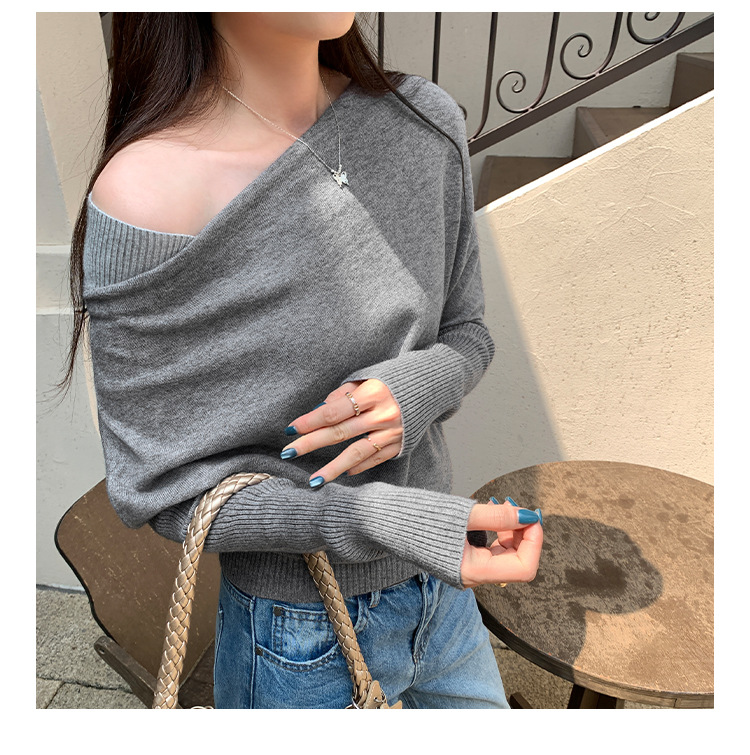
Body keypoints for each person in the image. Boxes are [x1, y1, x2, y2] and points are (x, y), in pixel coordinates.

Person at [61, 12, 543, 709]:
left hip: (443, 590)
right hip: (297, 636)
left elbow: (468, 332)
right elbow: (161, 490)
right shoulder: (146, 195)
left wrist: (412, 389)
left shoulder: (423, 121)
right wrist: (377, 518)